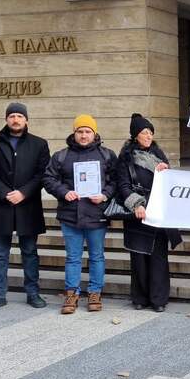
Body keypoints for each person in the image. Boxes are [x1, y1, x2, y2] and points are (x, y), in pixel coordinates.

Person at [0, 103, 50, 312]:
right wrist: (4, 193)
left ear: (26, 119)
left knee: (30, 251)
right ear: (6, 119)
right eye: (12, 116)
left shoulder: (39, 144)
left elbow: (43, 173)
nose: (15, 119)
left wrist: (24, 192)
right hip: (1, 204)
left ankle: (33, 293)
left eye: (19, 116)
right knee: (0, 253)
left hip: (28, 205)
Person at [43, 114, 116, 314]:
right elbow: (48, 178)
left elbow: (116, 181)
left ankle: (95, 292)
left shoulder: (107, 155)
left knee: (96, 256)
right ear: (74, 133)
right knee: (73, 257)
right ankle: (71, 294)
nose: (84, 135)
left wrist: (104, 195)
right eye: (80, 131)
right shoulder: (61, 156)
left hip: (97, 214)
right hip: (70, 215)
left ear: (94, 133)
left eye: (87, 131)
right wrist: (63, 192)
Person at [115, 114, 182, 312]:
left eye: (151, 132)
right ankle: (140, 297)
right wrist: (136, 204)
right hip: (137, 213)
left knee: (158, 257)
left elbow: (169, 183)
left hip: (157, 212)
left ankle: (159, 299)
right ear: (136, 135)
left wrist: (166, 171)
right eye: (145, 132)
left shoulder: (158, 155)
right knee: (139, 258)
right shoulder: (126, 158)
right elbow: (123, 185)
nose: (149, 136)